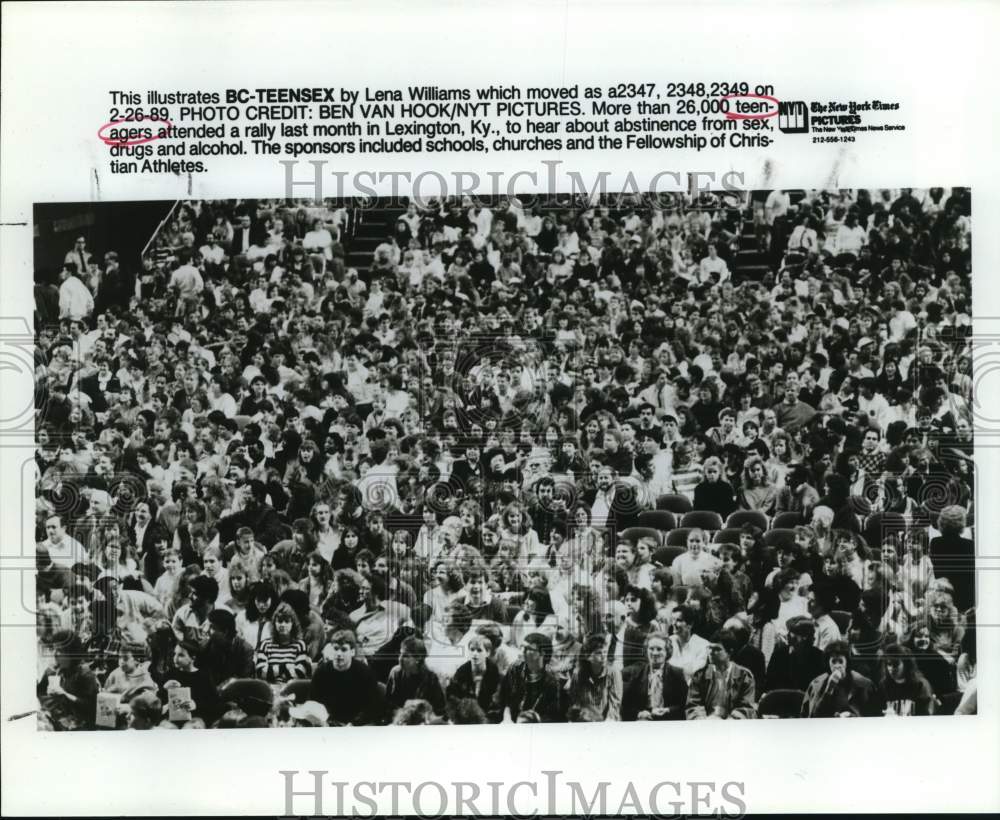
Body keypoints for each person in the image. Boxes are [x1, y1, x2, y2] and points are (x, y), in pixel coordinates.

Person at [310, 630, 384, 726]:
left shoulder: (365, 673)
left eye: (344, 649)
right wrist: (323, 721)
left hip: (356, 725)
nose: (339, 654)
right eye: (336, 649)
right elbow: (313, 701)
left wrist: (355, 723)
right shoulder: (321, 672)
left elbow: (372, 707)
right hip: (327, 722)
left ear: (352, 652)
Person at [685, 632, 757, 720]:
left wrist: (727, 723)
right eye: (709, 648)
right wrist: (703, 721)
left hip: (733, 727)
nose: (711, 652)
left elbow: (746, 708)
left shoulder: (744, 676)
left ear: (730, 652)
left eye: (717, 649)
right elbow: (693, 705)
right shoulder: (700, 676)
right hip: (705, 725)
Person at [801, 640, 881, 718]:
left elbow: (873, 715)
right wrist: (828, 690)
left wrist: (855, 717)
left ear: (847, 663)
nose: (837, 666)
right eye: (833, 661)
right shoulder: (817, 684)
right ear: (828, 663)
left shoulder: (863, 683)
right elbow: (813, 718)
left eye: (840, 661)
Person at [496, 632, 563, 722]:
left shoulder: (554, 681)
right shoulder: (514, 669)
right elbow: (503, 699)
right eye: (522, 647)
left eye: (528, 648)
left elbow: (554, 716)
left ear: (542, 653)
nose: (522, 651)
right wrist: (506, 716)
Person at [621, 633, 689, 721]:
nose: (655, 653)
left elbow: (685, 704)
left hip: (668, 722)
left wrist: (668, 710)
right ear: (646, 651)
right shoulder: (635, 674)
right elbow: (625, 705)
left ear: (667, 651)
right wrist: (639, 714)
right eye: (651, 649)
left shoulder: (677, 674)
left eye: (659, 649)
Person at [385, 636, 447, 719]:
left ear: (418, 658)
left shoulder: (431, 678)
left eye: (406, 656)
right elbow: (388, 703)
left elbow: (439, 709)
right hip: (399, 718)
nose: (400, 658)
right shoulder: (396, 673)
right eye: (400, 653)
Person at [565, 634, 622, 720]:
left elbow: (615, 704)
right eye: (598, 653)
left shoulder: (614, 673)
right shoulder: (578, 674)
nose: (603, 656)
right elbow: (575, 702)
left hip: (608, 721)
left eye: (605, 652)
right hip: (585, 720)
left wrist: (607, 723)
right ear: (588, 656)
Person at [879, 643, 936, 716]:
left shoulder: (921, 685)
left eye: (896, 664)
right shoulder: (883, 685)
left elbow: (926, 719)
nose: (891, 669)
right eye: (889, 664)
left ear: (906, 664)